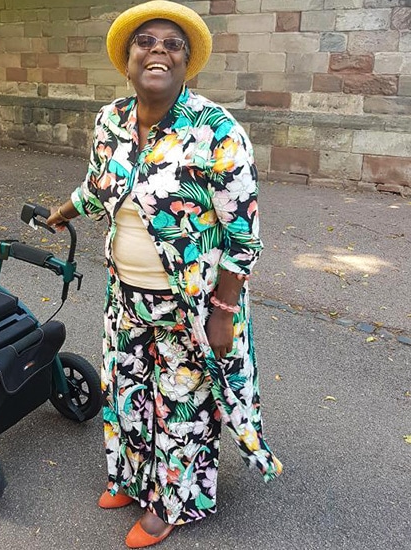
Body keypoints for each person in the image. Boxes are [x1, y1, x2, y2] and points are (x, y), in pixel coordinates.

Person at [47, 1, 282, 547]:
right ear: (127, 60)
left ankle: (174, 504)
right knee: (126, 389)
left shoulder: (216, 131)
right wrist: (65, 210)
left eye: (172, 44)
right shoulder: (111, 120)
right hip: (124, 295)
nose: (157, 50)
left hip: (191, 303)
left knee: (182, 401)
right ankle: (131, 479)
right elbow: (100, 184)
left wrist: (224, 313)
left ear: (186, 63)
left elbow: (243, 236)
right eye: (145, 41)